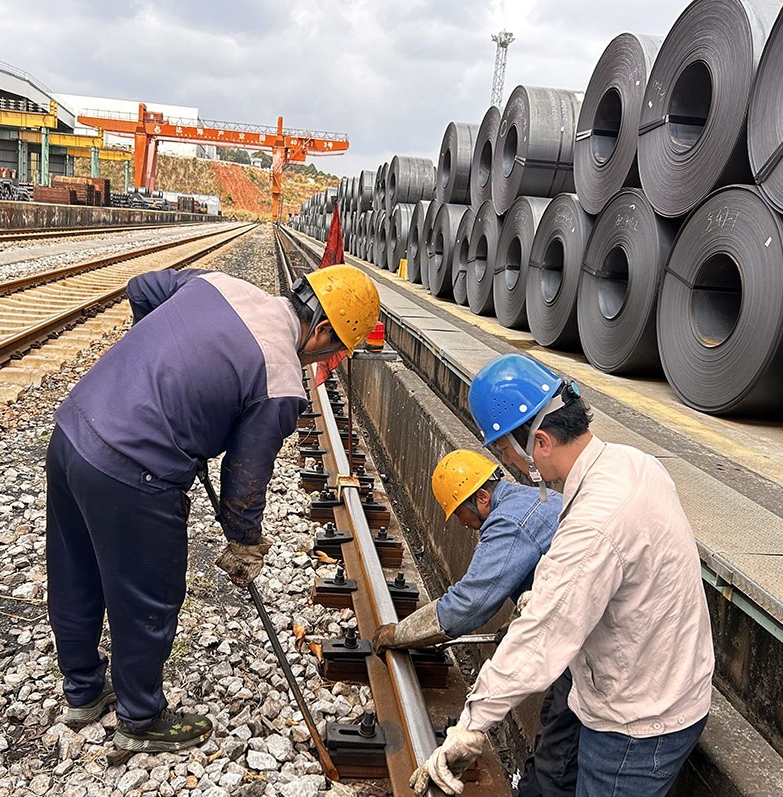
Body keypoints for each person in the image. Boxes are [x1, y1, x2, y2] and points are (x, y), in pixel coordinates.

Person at [45, 263, 380, 753]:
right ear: (323, 331)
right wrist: (244, 542)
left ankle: (82, 693)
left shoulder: (220, 283)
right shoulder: (282, 378)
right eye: (332, 352)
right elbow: (245, 479)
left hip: (73, 428)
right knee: (147, 593)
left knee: (75, 570)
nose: (323, 362)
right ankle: (140, 719)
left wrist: (156, 371)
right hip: (132, 468)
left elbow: (141, 288)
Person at [411, 354, 714, 797]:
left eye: (504, 449)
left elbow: (541, 637)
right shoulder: (634, 463)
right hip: (666, 680)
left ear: (542, 441)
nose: (509, 463)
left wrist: (471, 725)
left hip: (637, 724)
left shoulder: (595, 522)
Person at [371, 449, 580, 796]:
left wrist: (400, 633)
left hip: (590, 656)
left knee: (557, 760)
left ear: (483, 497)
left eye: (461, 514)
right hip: (579, 638)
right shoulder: (531, 500)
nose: (463, 524)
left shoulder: (510, 522)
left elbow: (469, 605)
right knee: (557, 726)